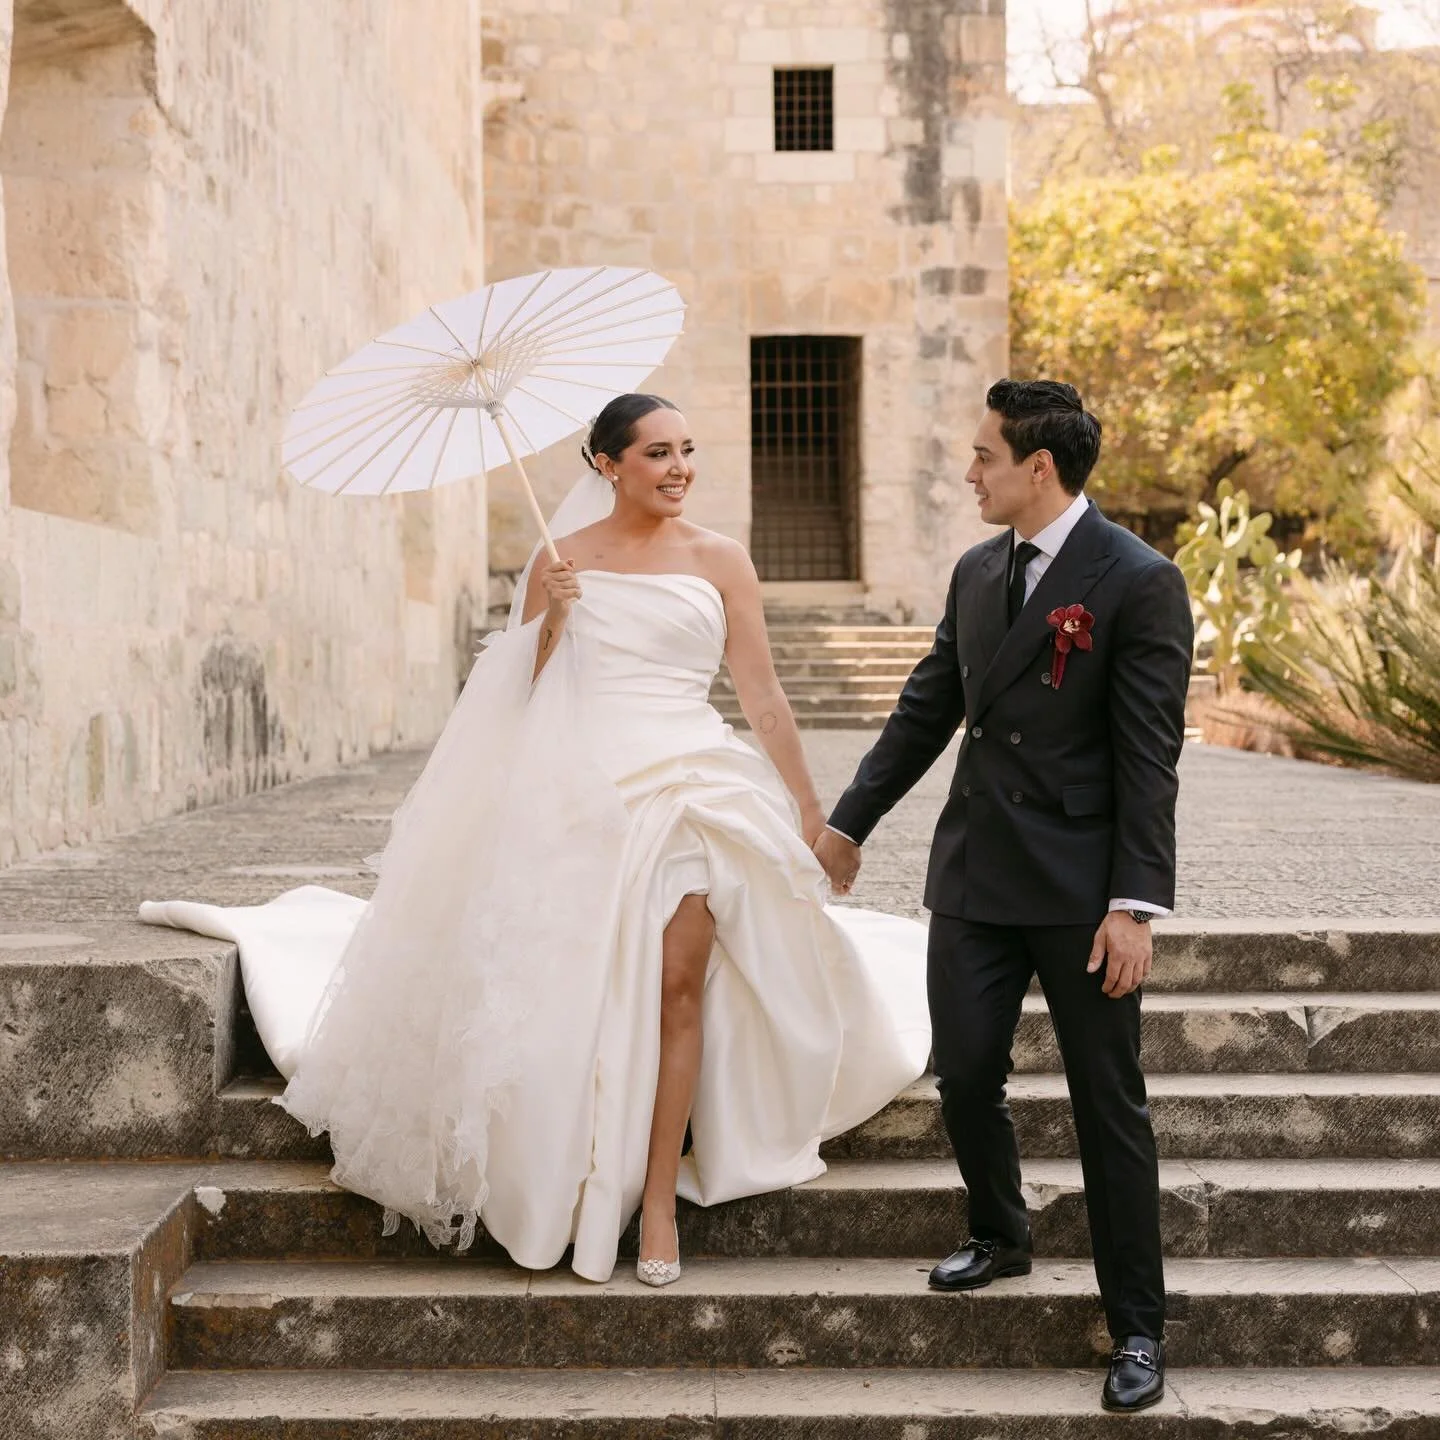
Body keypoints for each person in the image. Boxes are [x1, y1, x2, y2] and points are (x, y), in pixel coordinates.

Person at [140, 393, 930, 1286]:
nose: (678, 469)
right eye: (657, 453)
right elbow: (513, 700)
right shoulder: (560, 561)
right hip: (583, 785)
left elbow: (763, 698)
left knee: (680, 981)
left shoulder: (721, 559)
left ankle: (660, 1197)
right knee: (579, 983)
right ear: (608, 465)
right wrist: (549, 619)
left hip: (693, 786)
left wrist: (812, 816)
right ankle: (576, 1158)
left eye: (687, 451)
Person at [814, 379, 1193, 1414]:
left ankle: (1139, 1330)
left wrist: (1136, 904)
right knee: (966, 1072)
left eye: (983, 455)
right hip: (976, 874)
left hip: (1082, 892)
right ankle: (1002, 1230)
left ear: (1039, 468)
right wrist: (850, 820)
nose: (967, 471)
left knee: (1107, 1106)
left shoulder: (1137, 579)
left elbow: (1149, 758)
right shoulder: (979, 571)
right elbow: (926, 706)